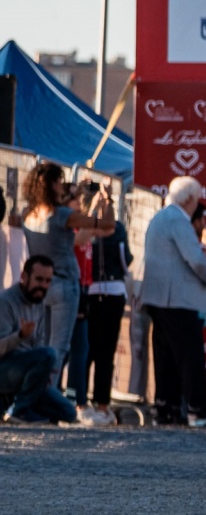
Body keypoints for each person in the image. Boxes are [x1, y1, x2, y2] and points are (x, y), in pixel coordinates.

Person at [17, 163, 104, 416]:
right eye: (61, 184)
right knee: (59, 347)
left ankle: (42, 398)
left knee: (51, 345)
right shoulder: (63, 216)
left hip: (41, 285)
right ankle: (45, 400)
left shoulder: (28, 214)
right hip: (65, 283)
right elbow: (96, 229)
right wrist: (101, 207)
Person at [140, 177, 206, 425]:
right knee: (190, 357)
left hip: (159, 298)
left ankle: (165, 409)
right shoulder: (178, 220)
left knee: (165, 358)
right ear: (189, 199)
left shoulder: (160, 217)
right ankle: (197, 411)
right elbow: (195, 259)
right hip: (177, 300)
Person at [75, 184, 131, 423]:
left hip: (93, 290)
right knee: (100, 352)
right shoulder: (110, 228)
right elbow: (125, 258)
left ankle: (87, 403)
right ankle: (98, 405)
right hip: (107, 290)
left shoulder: (83, 225)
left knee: (88, 351)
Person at [0, 256, 79, 424]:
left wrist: (44, 370)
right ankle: (19, 411)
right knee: (49, 354)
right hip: (6, 370)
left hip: (26, 376)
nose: (43, 286)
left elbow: (38, 345)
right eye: (39, 280)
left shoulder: (39, 303)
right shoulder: (6, 302)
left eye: (48, 281)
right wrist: (19, 336)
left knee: (68, 412)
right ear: (24, 277)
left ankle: (18, 406)